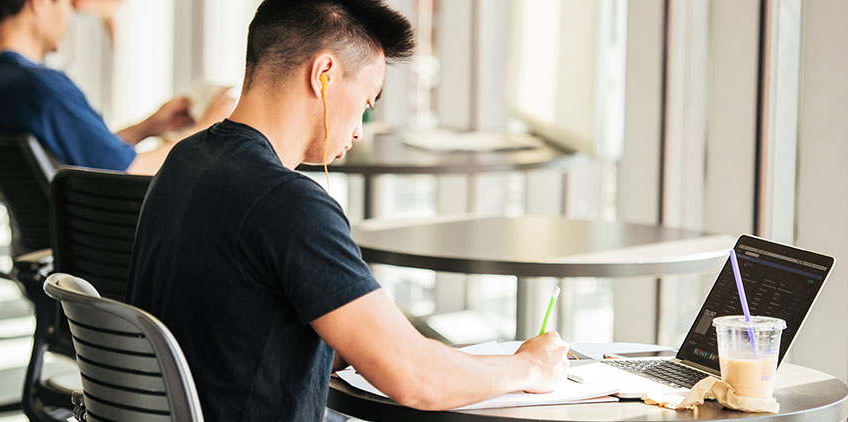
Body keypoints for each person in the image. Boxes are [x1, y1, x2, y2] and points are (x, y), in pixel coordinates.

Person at [126, 0, 569, 420]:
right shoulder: (287, 203)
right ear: (324, 74)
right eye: (366, 103)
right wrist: (528, 367)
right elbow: (415, 378)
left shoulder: (185, 161)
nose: (358, 130)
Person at [0, 0, 236, 174]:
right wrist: (210, 128)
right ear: (38, 3)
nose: (69, 16)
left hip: (49, 233)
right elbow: (130, 172)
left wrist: (147, 127)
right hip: (101, 239)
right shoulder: (41, 90)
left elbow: (84, 161)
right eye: (64, 3)